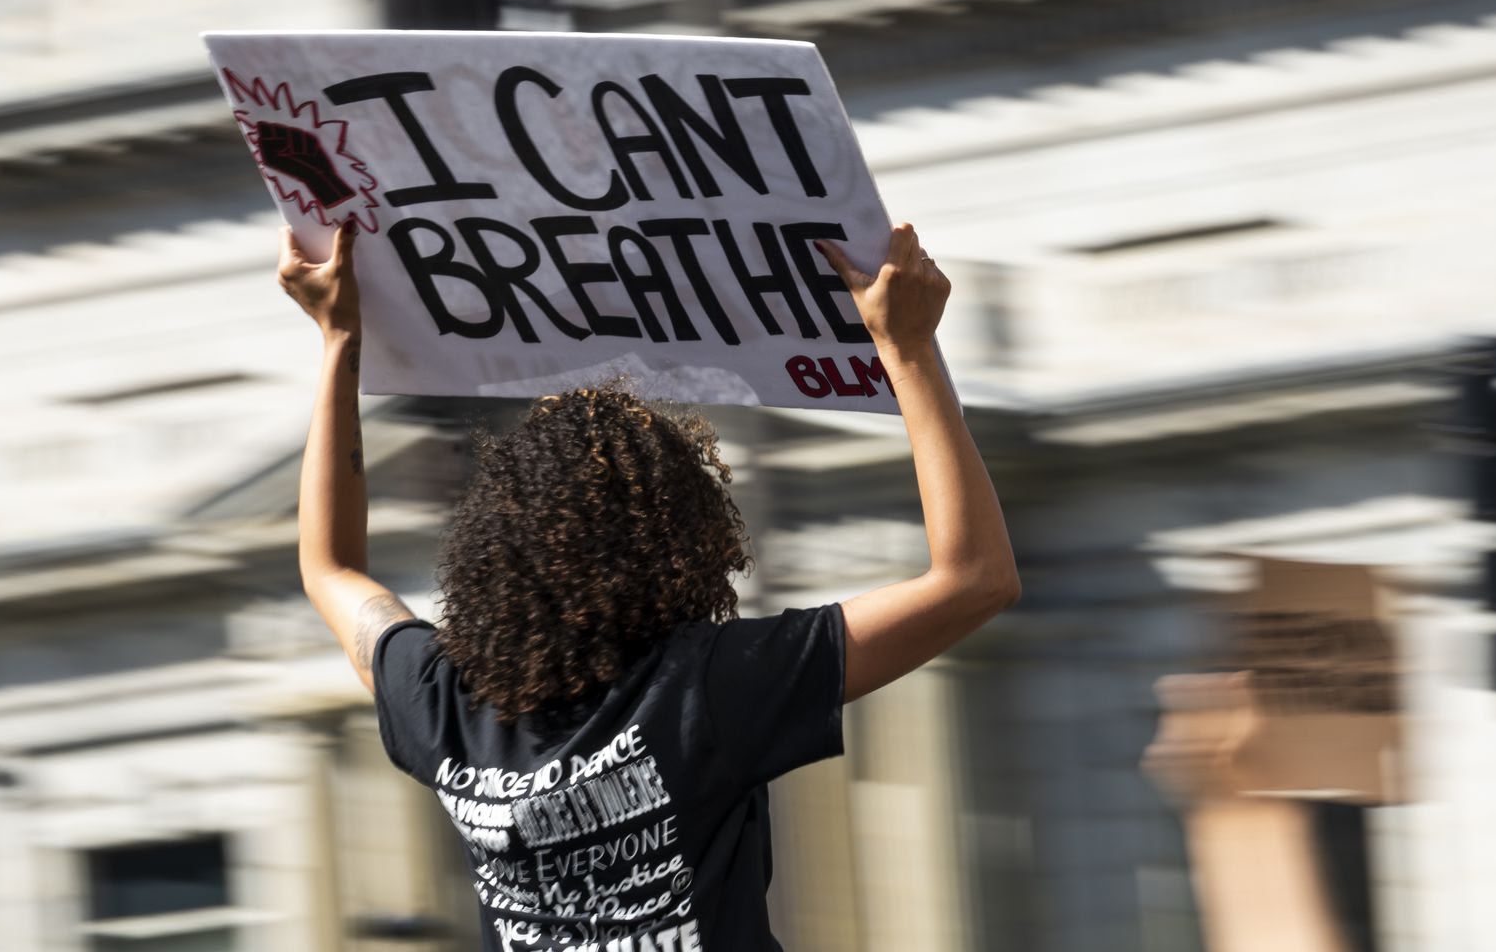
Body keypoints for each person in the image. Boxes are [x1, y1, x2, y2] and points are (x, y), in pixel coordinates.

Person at [277, 216, 1020, 952]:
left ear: (490, 553)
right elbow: (975, 578)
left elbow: (329, 568)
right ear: (685, 542)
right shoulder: (708, 691)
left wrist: (340, 340)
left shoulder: (442, 703)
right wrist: (908, 348)